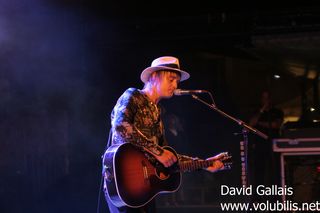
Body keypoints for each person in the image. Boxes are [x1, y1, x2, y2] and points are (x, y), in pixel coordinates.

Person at [104, 56, 228, 213]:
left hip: (145, 189)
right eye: (171, 79)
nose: (175, 85)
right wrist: (158, 151)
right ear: (155, 76)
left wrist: (204, 164)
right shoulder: (133, 95)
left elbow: (169, 157)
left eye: (176, 81)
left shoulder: (157, 112)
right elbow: (121, 126)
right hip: (124, 182)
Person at [248, 91, 284, 201]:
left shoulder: (277, 112)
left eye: (268, 98)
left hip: (273, 144)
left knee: (275, 171)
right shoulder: (257, 112)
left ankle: (276, 197)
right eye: (264, 98)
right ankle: (257, 198)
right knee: (259, 172)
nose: (266, 100)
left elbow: (276, 125)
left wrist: (260, 124)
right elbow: (251, 123)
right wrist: (261, 111)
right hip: (259, 145)